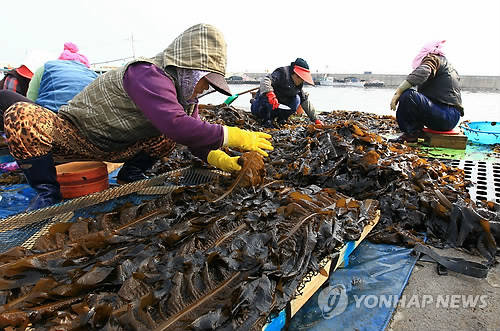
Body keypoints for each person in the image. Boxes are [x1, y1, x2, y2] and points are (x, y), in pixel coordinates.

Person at [3, 23, 273, 211]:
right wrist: (234, 135)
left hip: (116, 147)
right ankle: (47, 193)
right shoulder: (146, 73)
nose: (205, 90)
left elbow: (191, 133)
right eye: (205, 81)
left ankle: (130, 177)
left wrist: (218, 157)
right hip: (75, 135)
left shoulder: (185, 95)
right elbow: (175, 125)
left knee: (165, 137)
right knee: (22, 116)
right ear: (188, 69)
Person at [389, 40, 463, 143]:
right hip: (452, 117)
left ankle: (411, 134)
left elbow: (423, 71)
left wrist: (399, 92)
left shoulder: (433, 58)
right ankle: (415, 131)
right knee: (415, 98)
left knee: (408, 95)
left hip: (445, 116)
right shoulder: (449, 66)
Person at [251, 58, 323, 128]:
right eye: (299, 77)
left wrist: (316, 119)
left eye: (302, 79)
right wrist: (270, 93)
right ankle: (265, 119)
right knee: (265, 101)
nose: (301, 81)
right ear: (294, 73)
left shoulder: (298, 85)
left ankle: (281, 119)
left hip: (277, 107)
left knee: (297, 99)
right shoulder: (282, 73)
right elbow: (265, 80)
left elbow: (305, 101)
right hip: (262, 106)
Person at [26, 42, 98, 112]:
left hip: (52, 118)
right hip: (86, 121)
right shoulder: (93, 74)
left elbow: (30, 100)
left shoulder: (46, 67)